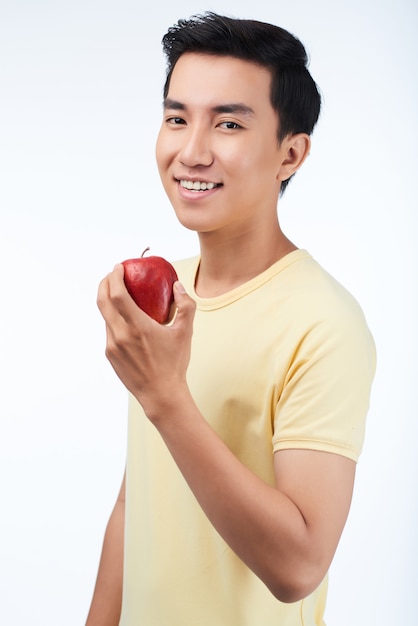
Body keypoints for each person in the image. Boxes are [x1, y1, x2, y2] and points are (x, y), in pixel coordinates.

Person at [86, 12, 376, 626]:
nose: (191, 151)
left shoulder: (324, 323)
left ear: (290, 153)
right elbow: (136, 500)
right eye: (176, 118)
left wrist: (164, 395)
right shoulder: (165, 298)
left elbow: (298, 567)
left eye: (228, 123)